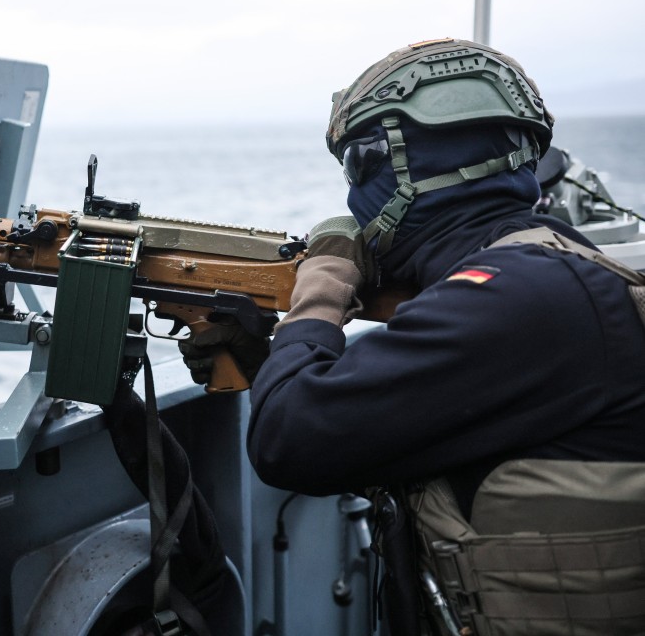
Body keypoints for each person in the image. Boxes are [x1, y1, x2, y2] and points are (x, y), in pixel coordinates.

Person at [181, 38, 645, 635]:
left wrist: (321, 289)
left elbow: (288, 440)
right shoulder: (556, 268)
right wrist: (276, 358)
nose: (351, 195)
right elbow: (408, 433)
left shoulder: (513, 298)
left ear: (410, 166)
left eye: (356, 166)